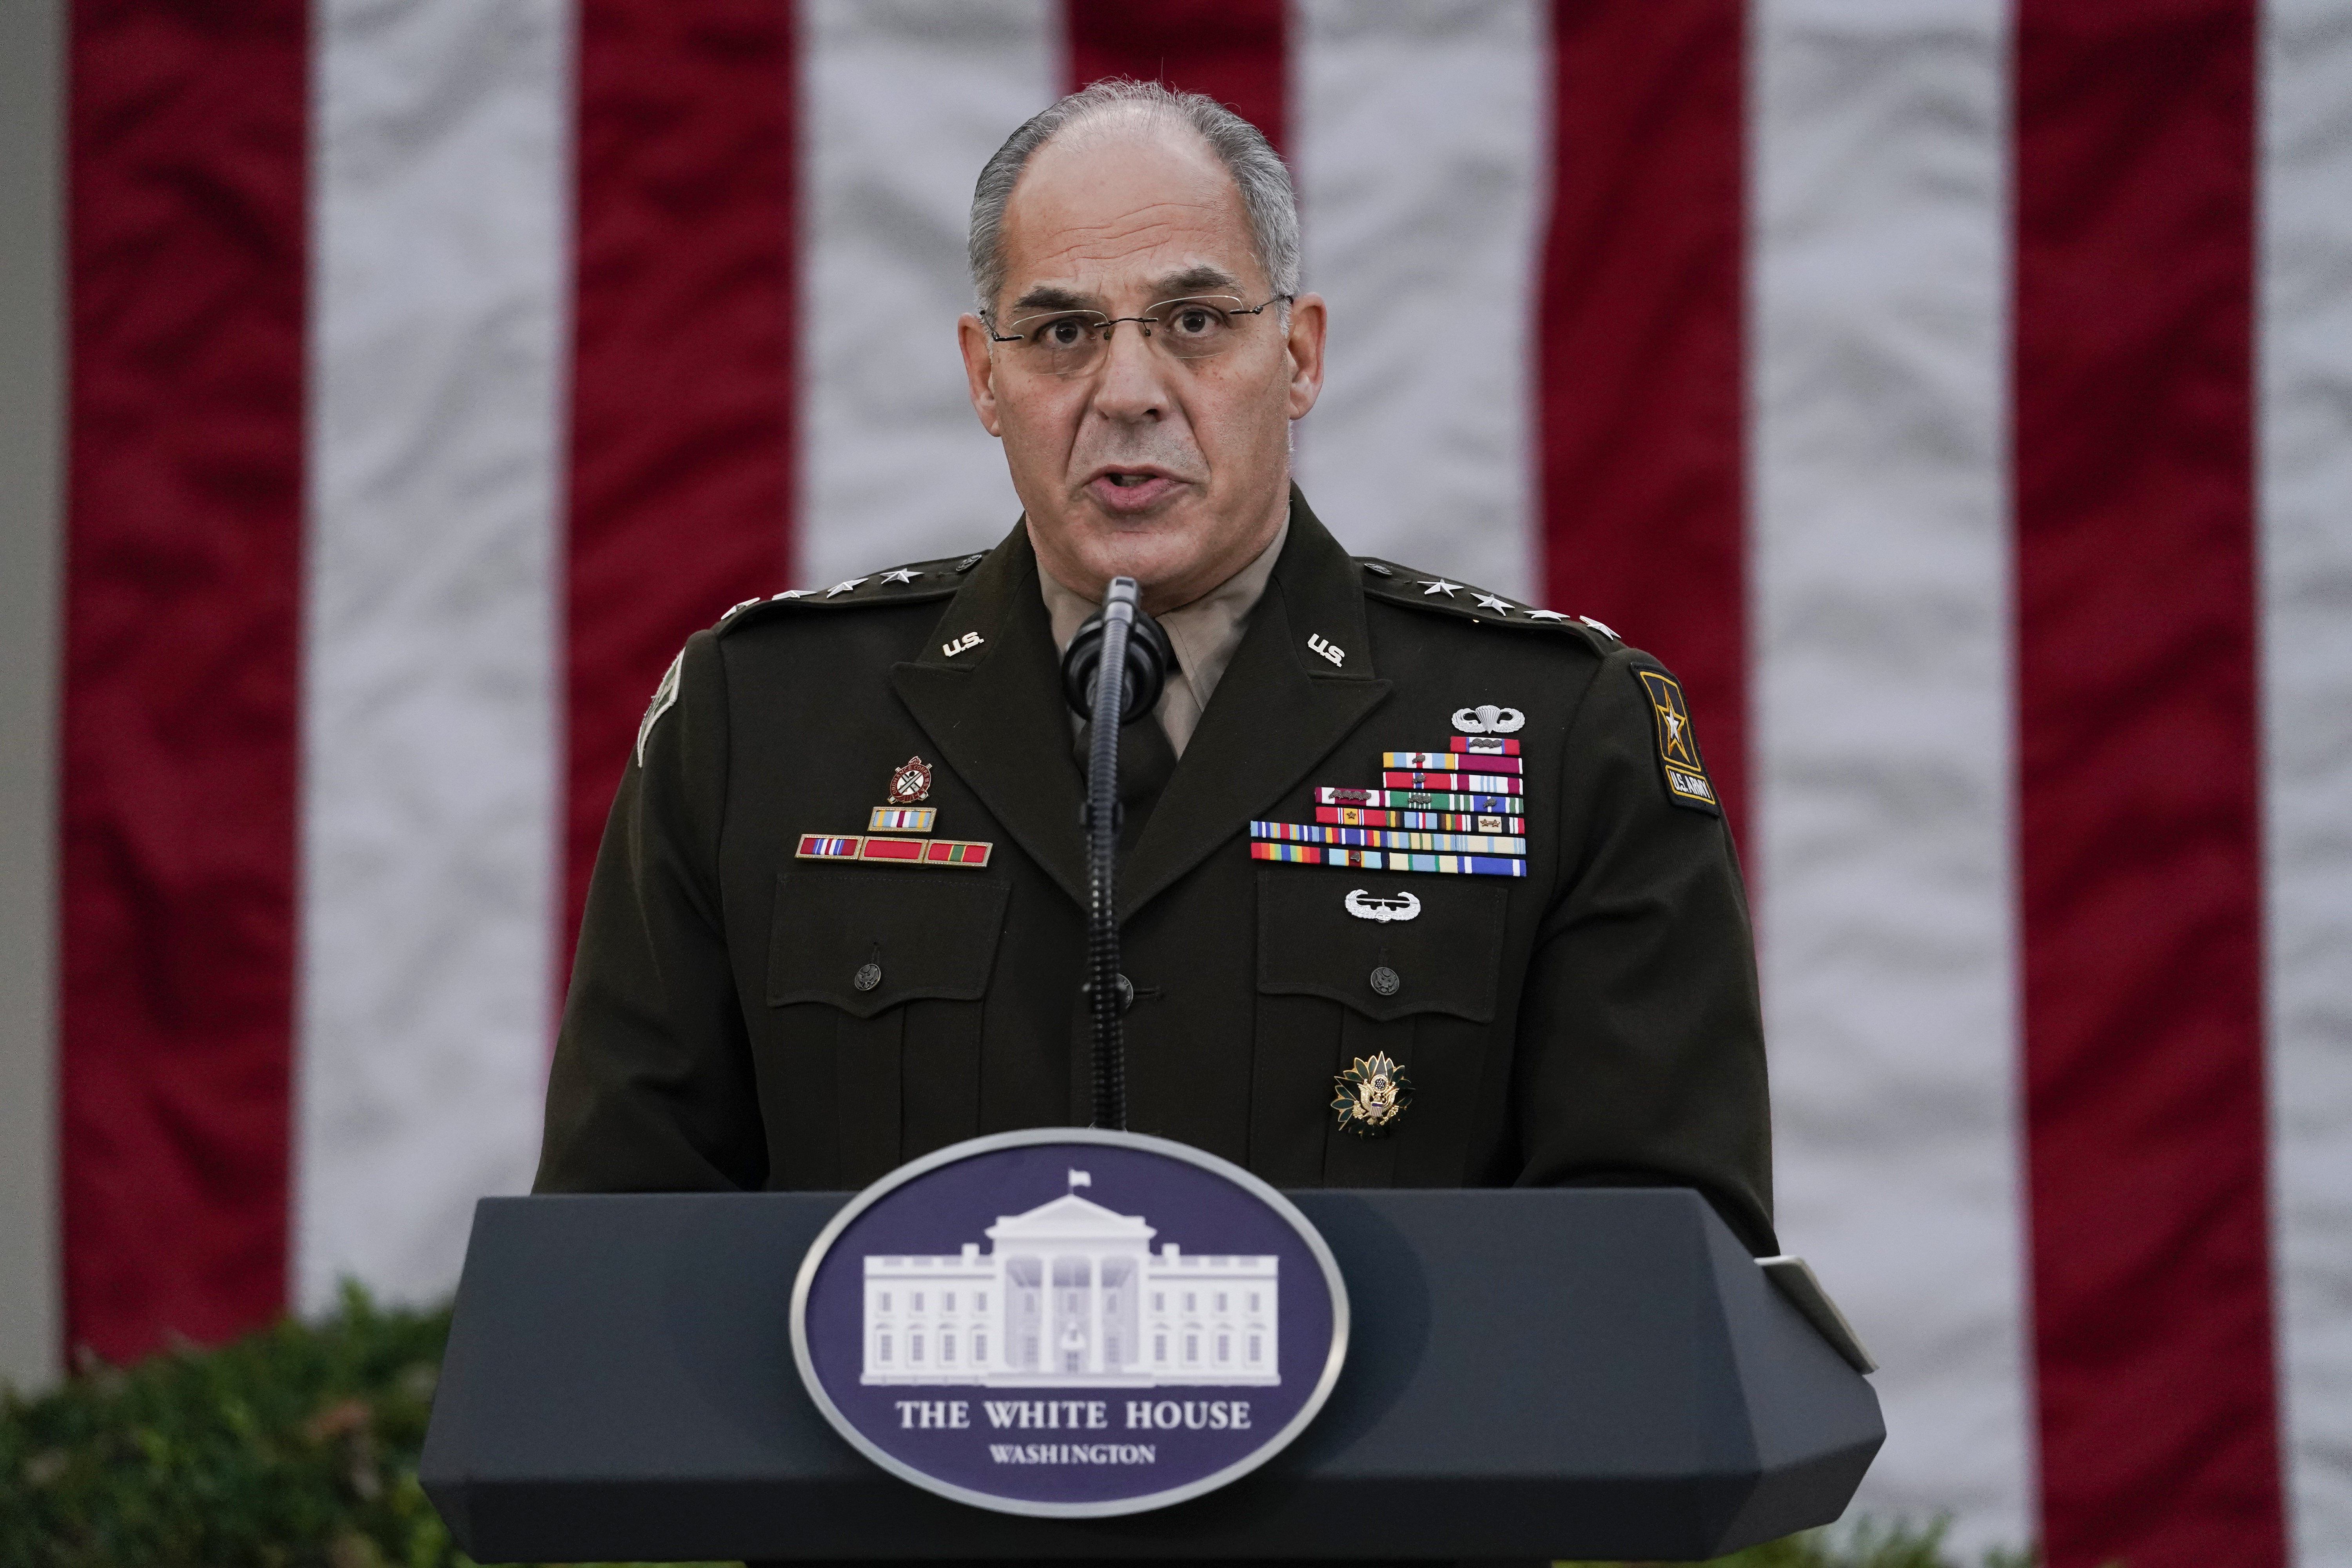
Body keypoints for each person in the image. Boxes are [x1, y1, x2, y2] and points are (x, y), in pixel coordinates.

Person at [535, 80, 1775, 1259]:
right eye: (1063, 332)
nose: (1128, 393)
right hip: (897, 1485)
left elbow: (1659, 1297)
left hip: (1377, 1487)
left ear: (1298, 357)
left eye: (1194, 322)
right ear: (985, 375)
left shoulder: (1564, 738)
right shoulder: (761, 725)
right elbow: (619, 1274)